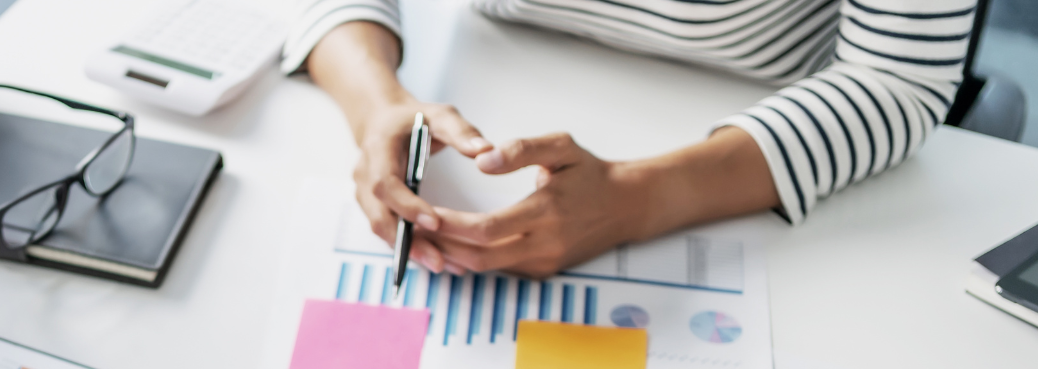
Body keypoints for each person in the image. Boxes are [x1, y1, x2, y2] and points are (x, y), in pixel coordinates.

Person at [288, 0, 977, 277]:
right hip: (489, 58)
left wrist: (636, 200)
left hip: (755, 116)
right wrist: (375, 100)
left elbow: (898, 76)